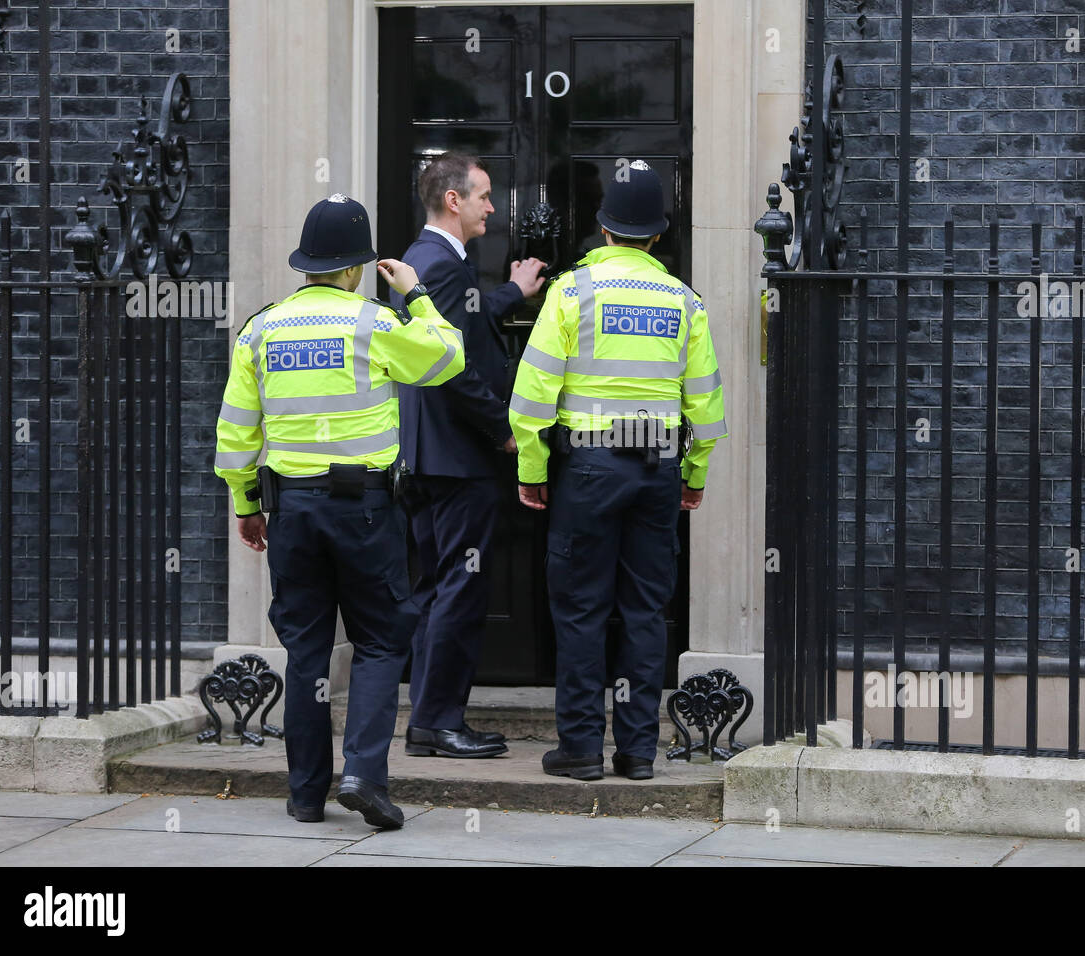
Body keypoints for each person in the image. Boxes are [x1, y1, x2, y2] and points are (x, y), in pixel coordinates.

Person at [214, 193, 465, 828]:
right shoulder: (374, 324)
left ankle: (304, 795)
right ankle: (362, 775)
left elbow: (236, 434)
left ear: (306, 265)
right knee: (380, 642)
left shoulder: (261, 328)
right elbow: (447, 356)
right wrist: (414, 292)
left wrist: (247, 504)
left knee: (305, 653)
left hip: (291, 510)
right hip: (366, 510)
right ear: (356, 267)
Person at [508, 160, 727, 781]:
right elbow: (706, 403)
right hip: (657, 467)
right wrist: (696, 473)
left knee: (579, 608)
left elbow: (531, 396)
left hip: (589, 466)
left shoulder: (571, 292)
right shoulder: (684, 301)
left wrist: (532, 465)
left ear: (604, 229)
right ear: (656, 235)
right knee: (643, 608)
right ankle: (637, 751)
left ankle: (579, 748)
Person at [390, 152, 547, 758]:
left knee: (437, 588)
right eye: (483, 195)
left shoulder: (426, 260)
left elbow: (458, 329)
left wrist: (509, 293)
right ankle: (439, 723)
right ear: (453, 200)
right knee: (459, 589)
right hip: (459, 457)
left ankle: (429, 722)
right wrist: (503, 430)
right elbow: (450, 369)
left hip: (427, 458)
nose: (491, 206)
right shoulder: (443, 266)